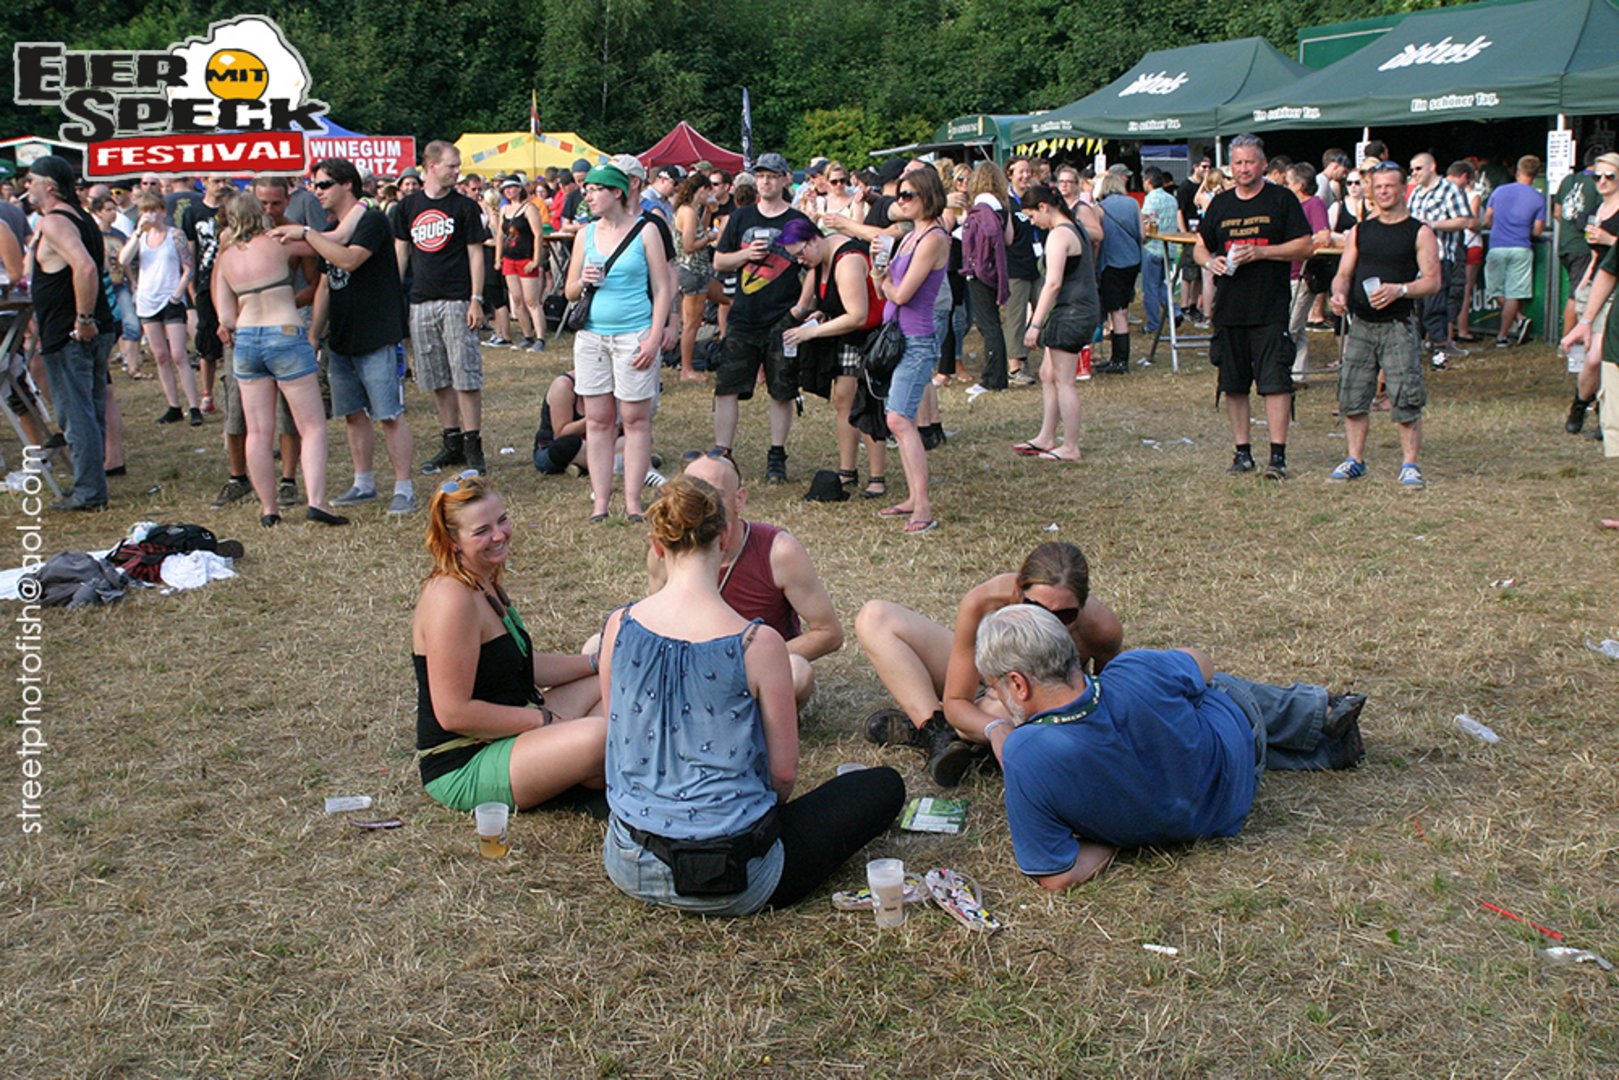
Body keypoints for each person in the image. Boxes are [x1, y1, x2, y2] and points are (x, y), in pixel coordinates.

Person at [598, 475, 904, 916]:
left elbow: (616, 736)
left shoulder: (619, 625)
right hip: (737, 877)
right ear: (724, 537)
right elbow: (783, 775)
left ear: (657, 546)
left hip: (629, 862)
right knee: (882, 786)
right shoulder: (757, 644)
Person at [976, 605, 1366, 891]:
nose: (997, 698)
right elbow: (1204, 665)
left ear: (1018, 684)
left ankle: (1326, 738)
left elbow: (1058, 876)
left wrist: (1121, 837)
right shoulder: (1134, 670)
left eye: (994, 689)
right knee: (1207, 690)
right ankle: (1322, 721)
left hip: (1203, 809)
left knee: (1184, 704)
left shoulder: (1025, 754)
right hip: (1236, 767)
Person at [413, 472, 606, 812]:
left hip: (512, 728)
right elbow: (454, 713)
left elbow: (521, 663)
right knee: (601, 736)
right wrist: (543, 721)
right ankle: (588, 765)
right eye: (482, 531)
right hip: (465, 760)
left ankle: (584, 767)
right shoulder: (451, 598)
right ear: (452, 540)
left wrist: (597, 662)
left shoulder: (481, 578)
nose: (499, 535)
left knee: (613, 682)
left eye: (502, 520)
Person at [856, 541, 1124, 786]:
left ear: (1083, 603)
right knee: (875, 617)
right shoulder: (983, 601)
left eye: (1065, 615)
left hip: (1031, 700)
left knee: (997, 711)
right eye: (1036, 609)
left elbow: (1103, 708)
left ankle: (962, 741)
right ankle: (937, 733)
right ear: (1018, 591)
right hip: (987, 680)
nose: (1048, 622)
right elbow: (957, 700)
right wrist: (993, 728)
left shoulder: (1102, 630)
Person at [275, 156, 417, 516]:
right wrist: (314, 334)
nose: (316, 192)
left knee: (389, 414)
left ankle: (404, 488)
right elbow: (324, 284)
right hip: (341, 336)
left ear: (347, 184)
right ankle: (363, 482)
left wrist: (307, 234)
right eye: (313, 186)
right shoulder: (330, 228)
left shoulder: (372, 221)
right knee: (353, 413)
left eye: (323, 185)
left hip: (377, 333)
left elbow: (350, 260)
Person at [647, 451, 844, 705]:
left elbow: (829, 633)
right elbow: (656, 627)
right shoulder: (667, 550)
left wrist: (744, 661)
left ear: (739, 499)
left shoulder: (778, 551)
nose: (700, 507)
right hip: (688, 668)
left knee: (798, 672)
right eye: (690, 495)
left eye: (713, 495)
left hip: (752, 673)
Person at [213, 191, 346, 528]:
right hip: (284, 332)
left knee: (258, 431)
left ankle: (269, 509)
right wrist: (303, 231)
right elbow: (326, 245)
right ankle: (317, 502)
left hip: (247, 339)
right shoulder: (277, 243)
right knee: (311, 425)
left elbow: (225, 317)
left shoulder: (225, 259)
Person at [1194, 134, 1313, 480]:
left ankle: (1278, 456)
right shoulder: (1221, 203)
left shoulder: (1281, 199)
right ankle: (1242, 452)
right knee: (1233, 383)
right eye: (1238, 163)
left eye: (1249, 162)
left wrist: (1262, 252)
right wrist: (1210, 262)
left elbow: (1305, 246)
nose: (1243, 169)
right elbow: (1200, 246)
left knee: (1275, 382)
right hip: (1230, 308)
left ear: (1262, 164)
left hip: (1269, 306)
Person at [563, 164, 671, 523]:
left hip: (633, 335)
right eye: (587, 190)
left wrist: (654, 337)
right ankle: (601, 503)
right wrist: (583, 280)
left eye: (596, 189)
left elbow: (663, 288)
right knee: (597, 420)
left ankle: (633, 502)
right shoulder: (585, 234)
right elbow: (569, 291)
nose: (588, 196)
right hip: (592, 337)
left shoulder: (646, 231)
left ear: (617, 192)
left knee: (635, 419)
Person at [1327, 160, 1441, 490]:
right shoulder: (1360, 231)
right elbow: (1343, 274)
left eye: (1390, 186)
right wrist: (1338, 294)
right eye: (1378, 187)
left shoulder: (1419, 232)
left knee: (1406, 395)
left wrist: (1399, 290)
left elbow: (1433, 281)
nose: (1383, 192)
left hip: (1398, 325)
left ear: (1404, 189)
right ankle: (1355, 460)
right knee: (1352, 393)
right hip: (1361, 324)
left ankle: (1409, 465)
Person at [711, 152, 813, 480]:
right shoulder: (740, 218)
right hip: (743, 315)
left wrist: (800, 308)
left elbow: (815, 263)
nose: (765, 181)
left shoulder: (796, 219)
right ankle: (722, 452)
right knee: (727, 386)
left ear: (785, 179)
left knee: (782, 389)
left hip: (782, 316)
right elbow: (718, 261)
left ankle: (777, 455)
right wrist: (744, 254)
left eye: (772, 175)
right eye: (761, 176)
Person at [23, 156, 116, 511]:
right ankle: (94, 483)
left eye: (31, 179)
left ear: (49, 185)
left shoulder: (56, 222)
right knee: (90, 409)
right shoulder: (80, 218)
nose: (26, 186)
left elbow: (86, 268)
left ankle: (89, 491)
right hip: (88, 328)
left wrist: (83, 319)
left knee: (76, 414)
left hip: (73, 331)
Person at [395, 140, 489, 475]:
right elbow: (401, 251)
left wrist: (476, 298)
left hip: (457, 299)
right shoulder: (407, 207)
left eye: (458, 165)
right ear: (431, 166)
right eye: (451, 165)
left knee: (465, 373)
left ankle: (473, 443)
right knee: (436, 375)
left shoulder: (464, 206)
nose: (457, 171)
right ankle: (451, 440)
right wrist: (394, 293)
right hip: (421, 299)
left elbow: (476, 254)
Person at [779, 216, 887, 496]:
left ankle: (877, 476)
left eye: (800, 253)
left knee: (866, 403)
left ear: (814, 239)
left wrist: (812, 333)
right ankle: (847, 470)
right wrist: (821, 314)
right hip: (848, 337)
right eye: (795, 258)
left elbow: (858, 315)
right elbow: (838, 305)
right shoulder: (820, 261)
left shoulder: (847, 260)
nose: (800, 261)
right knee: (843, 400)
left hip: (868, 338)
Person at [871, 166, 949, 534]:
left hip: (916, 339)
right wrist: (880, 274)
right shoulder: (909, 237)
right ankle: (914, 499)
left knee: (899, 419)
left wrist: (884, 279)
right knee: (900, 419)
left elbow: (901, 294)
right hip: (899, 336)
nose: (900, 202)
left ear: (927, 197)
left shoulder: (933, 238)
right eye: (899, 195)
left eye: (908, 195)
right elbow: (885, 289)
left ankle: (923, 505)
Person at [1014, 183, 1098, 463]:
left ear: (1044, 207)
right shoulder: (1075, 228)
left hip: (1071, 313)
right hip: (1077, 309)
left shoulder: (1059, 235)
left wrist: (1034, 325)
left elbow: (1053, 283)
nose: (1032, 222)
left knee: (1064, 381)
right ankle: (1046, 436)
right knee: (1047, 374)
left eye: (1032, 216)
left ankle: (1071, 446)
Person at [120, 191, 201, 426]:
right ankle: (173, 405)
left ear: (163, 211)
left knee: (178, 354)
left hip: (170, 298)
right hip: (148, 300)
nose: (150, 215)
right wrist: (138, 232)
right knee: (160, 356)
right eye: (145, 211)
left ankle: (194, 406)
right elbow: (123, 260)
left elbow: (188, 267)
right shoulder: (141, 237)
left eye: (153, 210)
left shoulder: (175, 235)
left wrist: (178, 293)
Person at [1563, 152, 1619, 436]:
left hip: (1614, 291)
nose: (1603, 181)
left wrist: (1610, 240)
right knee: (1592, 359)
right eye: (1598, 177)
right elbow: (1596, 255)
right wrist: (1582, 285)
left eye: (1610, 176)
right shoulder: (1597, 210)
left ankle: (1602, 412)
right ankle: (1581, 402)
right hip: (1595, 285)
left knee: (1600, 356)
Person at [1405, 153, 1474, 369]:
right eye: (1412, 169)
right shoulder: (1416, 193)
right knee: (1419, 306)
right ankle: (1423, 349)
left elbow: (1464, 220)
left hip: (1440, 255)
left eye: (1418, 168)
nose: (1414, 173)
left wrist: (1433, 224)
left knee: (1436, 304)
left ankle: (1441, 351)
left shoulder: (1449, 190)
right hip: (1416, 258)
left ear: (1432, 166)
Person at [1483, 155, 1546, 348]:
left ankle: (1518, 321)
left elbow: (1487, 219)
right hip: (1521, 247)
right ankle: (1505, 334)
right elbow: (1538, 230)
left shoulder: (1499, 191)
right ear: (1535, 175)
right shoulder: (1539, 198)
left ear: (1517, 171)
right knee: (1514, 293)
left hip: (1497, 246)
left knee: (1494, 290)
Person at [961, 161, 1013, 394]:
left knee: (988, 324)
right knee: (993, 323)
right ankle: (998, 375)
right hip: (996, 267)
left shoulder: (980, 208)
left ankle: (993, 378)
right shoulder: (1003, 206)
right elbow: (1009, 238)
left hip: (979, 270)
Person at [1283, 162, 1331, 382]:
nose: (1286, 186)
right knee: (1298, 326)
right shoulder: (1291, 206)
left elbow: (1323, 236)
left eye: (1288, 182)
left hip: (1303, 273)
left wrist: (1300, 245)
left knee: (1291, 326)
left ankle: (1282, 369)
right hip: (1288, 272)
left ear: (1299, 185)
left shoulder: (1314, 204)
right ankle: (1298, 375)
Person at [1093, 169, 1141, 375]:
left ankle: (1120, 360)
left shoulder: (1100, 208)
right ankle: (1119, 358)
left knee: (1117, 313)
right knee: (1122, 309)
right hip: (1132, 261)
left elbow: (1097, 239)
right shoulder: (1133, 203)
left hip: (1112, 263)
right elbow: (1142, 234)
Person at [672, 172, 716, 381]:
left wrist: (708, 212)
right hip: (692, 270)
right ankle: (686, 369)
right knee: (692, 323)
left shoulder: (690, 210)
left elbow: (699, 231)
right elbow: (689, 245)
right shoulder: (688, 212)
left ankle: (687, 366)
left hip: (694, 270)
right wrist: (710, 238)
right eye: (708, 192)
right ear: (702, 190)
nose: (709, 196)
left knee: (695, 320)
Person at [496, 174, 548, 353]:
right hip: (509, 259)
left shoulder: (529, 208)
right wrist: (498, 258)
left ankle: (540, 338)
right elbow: (500, 235)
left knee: (531, 301)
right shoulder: (504, 209)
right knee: (517, 300)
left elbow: (538, 234)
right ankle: (527, 336)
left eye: (512, 187)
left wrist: (536, 260)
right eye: (506, 189)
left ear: (520, 188)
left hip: (525, 257)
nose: (509, 191)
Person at [1002, 157, 1040, 385]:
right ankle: (1014, 367)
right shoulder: (1006, 202)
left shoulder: (1035, 197)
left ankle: (1044, 356)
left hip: (1038, 263)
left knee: (1044, 309)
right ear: (1010, 174)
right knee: (1015, 317)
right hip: (1015, 266)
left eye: (1028, 171)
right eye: (1021, 171)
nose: (1026, 175)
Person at [1140, 167, 1181, 337]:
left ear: (1148, 181)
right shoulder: (1171, 199)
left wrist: (1142, 235)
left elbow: (1149, 222)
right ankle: (1175, 312)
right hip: (1169, 248)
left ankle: (1153, 324)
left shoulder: (1151, 199)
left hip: (1153, 247)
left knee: (1150, 288)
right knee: (1162, 285)